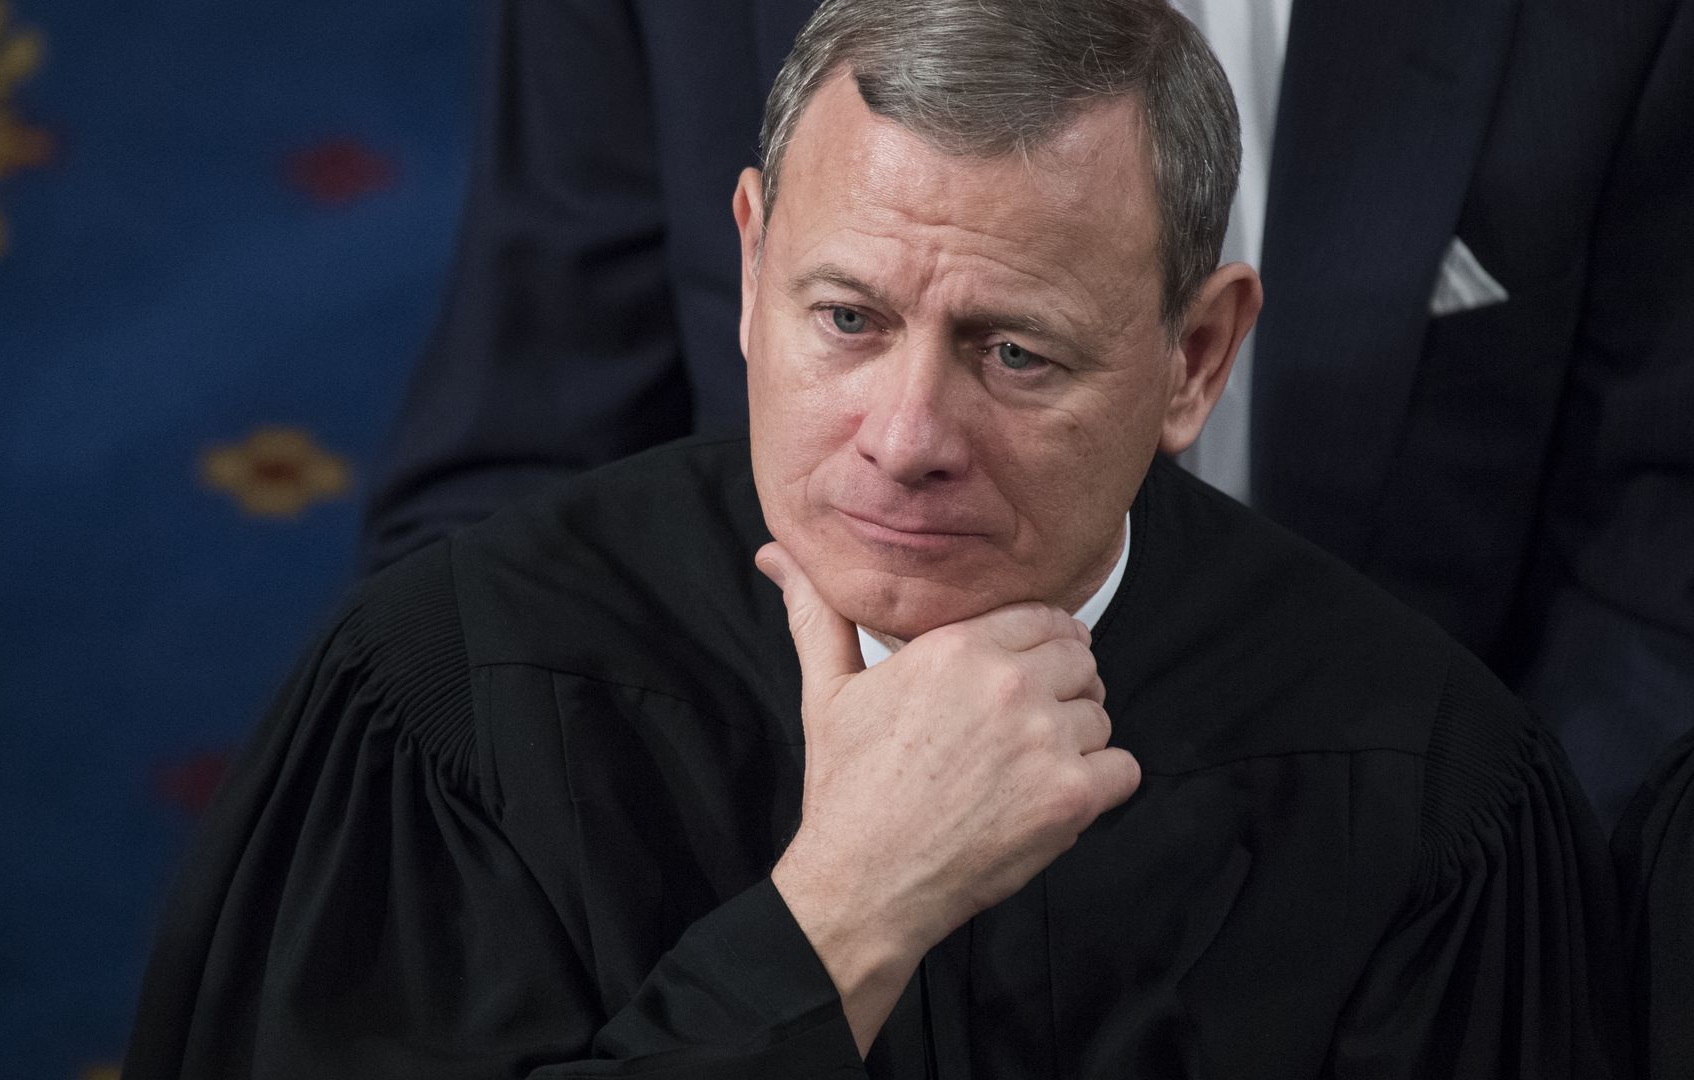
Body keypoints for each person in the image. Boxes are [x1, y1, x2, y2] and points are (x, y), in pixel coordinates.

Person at [130, 1, 1626, 1074]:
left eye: (1016, 354)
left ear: (1195, 359)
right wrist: (837, 925)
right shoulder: (450, 704)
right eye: (848, 319)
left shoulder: (1431, 798)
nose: (907, 437)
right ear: (748, 261)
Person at [362, 0, 1694, 828]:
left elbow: (1660, 558)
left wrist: (1471, 903)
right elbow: (513, 476)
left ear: (1204, 348)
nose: (912, 434)